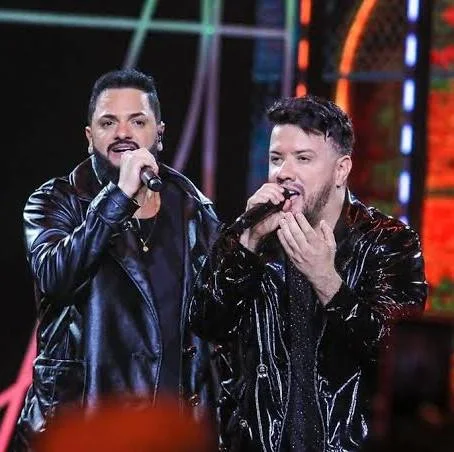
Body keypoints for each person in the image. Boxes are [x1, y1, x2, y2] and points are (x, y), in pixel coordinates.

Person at [189, 94, 427, 451]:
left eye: (303, 158)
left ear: (341, 170)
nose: (284, 172)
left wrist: (327, 281)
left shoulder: (389, 242)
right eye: (276, 159)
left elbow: (398, 360)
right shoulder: (247, 237)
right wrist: (247, 245)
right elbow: (206, 323)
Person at [13, 68, 222, 450]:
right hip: (84, 425)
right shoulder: (54, 201)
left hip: (171, 430)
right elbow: (55, 277)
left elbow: (216, 319)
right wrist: (119, 197)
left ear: (159, 133)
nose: (123, 133)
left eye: (137, 121)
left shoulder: (193, 209)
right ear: (89, 136)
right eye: (108, 122)